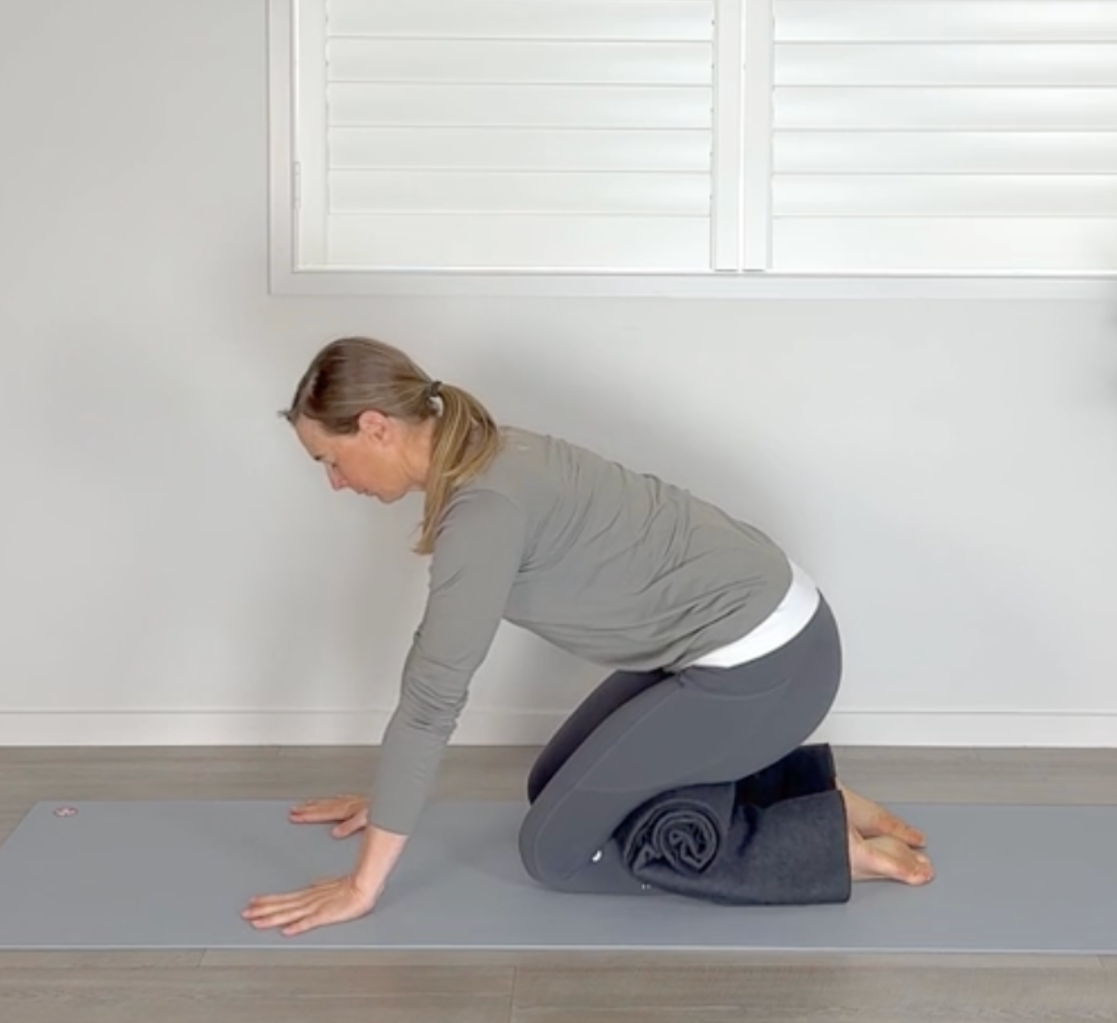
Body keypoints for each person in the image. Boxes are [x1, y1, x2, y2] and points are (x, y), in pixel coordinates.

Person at [242, 336, 933, 937]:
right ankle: (810, 792)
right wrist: (391, 798)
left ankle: (821, 846)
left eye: (330, 460)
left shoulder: (483, 512)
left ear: (375, 427)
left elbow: (431, 699)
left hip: (769, 665)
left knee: (558, 852)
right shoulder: (488, 451)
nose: (334, 483)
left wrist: (362, 887)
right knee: (553, 785)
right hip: (756, 638)